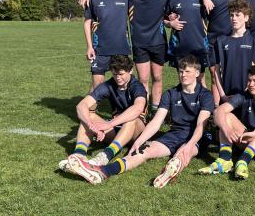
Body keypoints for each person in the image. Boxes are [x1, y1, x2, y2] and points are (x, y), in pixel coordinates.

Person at [79, 0, 213, 113]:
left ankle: (155, 109)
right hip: (139, 43)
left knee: (157, 78)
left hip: (158, 42)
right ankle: (142, 111)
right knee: (143, 80)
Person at [65, 55, 214, 188]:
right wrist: (139, 141)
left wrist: (189, 145)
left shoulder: (205, 95)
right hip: (174, 134)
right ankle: (102, 172)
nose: (183, 75)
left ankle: (169, 171)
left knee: (184, 153)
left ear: (196, 73)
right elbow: (156, 122)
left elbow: (201, 125)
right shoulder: (170, 94)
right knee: (143, 151)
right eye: (181, 71)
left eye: (187, 71)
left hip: (197, 136)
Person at [59, 55, 147, 172]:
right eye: (114, 74)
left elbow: (138, 108)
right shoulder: (109, 85)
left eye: (121, 74)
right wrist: (91, 125)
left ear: (130, 71)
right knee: (88, 115)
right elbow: (81, 106)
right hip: (117, 130)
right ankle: (79, 155)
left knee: (131, 119)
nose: (117, 78)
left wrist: (109, 124)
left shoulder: (137, 86)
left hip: (137, 133)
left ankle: (105, 156)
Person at [199, 64, 255, 179]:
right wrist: (226, 129)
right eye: (249, 80)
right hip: (245, 139)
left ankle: (243, 161)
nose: (251, 84)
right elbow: (219, 111)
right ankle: (225, 159)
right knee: (226, 116)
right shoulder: (244, 95)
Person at [82, 0, 130, 91]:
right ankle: (89, 110)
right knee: (97, 87)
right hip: (100, 50)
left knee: (123, 86)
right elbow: (87, 23)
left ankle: (120, 110)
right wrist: (89, 47)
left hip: (121, 49)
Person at [212, 0, 255, 102]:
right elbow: (216, 72)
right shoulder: (221, 41)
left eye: (238, 15)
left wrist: (249, 91)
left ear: (246, 18)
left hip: (249, 96)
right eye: (231, 15)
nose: (234, 18)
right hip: (227, 97)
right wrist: (223, 95)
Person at [204, 0, 241, 104]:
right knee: (214, 75)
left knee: (233, 74)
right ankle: (216, 108)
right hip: (213, 40)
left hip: (232, 40)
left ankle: (234, 106)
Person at [165, 0, 209, 86]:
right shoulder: (173, 0)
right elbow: (164, 19)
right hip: (179, 47)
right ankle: (184, 104)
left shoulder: (201, 0)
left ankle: (204, 104)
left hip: (199, 46)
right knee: (183, 79)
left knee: (200, 79)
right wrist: (170, 23)